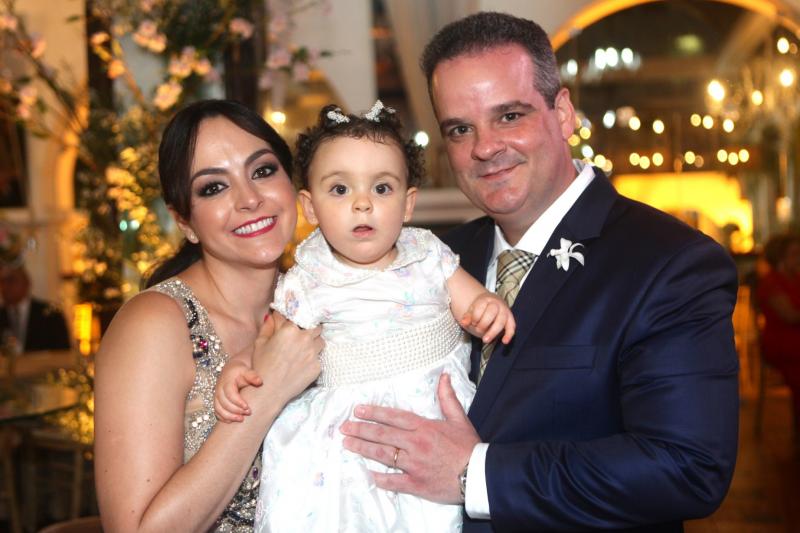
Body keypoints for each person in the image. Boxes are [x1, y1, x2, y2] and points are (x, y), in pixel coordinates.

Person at [340, 12, 740, 532]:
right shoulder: (431, 259)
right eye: (460, 129)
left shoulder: (669, 263)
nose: (484, 147)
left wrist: (474, 474)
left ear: (564, 112)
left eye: (509, 116)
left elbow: (687, 467)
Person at [214, 101, 514, 532]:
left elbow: (474, 303)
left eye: (382, 188)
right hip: (347, 438)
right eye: (340, 189)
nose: (362, 204)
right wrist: (239, 367)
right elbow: (271, 342)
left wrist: (488, 307)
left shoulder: (428, 254)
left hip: (433, 420)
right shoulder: (310, 277)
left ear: (408, 203)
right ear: (310, 207)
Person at [94, 99, 324, 532]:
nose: (250, 199)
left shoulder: (318, 303)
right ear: (185, 222)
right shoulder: (157, 325)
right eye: (213, 187)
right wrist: (267, 393)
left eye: (263, 170)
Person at [756, 233, 800, 430]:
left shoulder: (796, 278)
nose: (798, 258)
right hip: (781, 341)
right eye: (794, 254)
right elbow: (789, 316)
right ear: (780, 257)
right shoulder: (771, 282)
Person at [0, 264, 70, 352]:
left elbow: (63, 353)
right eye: (2, 281)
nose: (5, 287)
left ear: (26, 283)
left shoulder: (51, 314)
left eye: (11, 280)